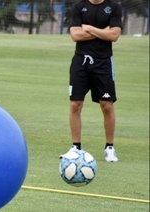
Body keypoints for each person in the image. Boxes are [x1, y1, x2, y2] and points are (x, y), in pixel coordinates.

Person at [61, 0, 122, 162]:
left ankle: (109, 148)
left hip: (103, 62)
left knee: (107, 105)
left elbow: (114, 35)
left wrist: (88, 28)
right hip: (80, 61)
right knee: (75, 104)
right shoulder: (78, 7)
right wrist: (103, 32)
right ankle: (76, 147)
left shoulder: (114, 7)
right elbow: (75, 35)